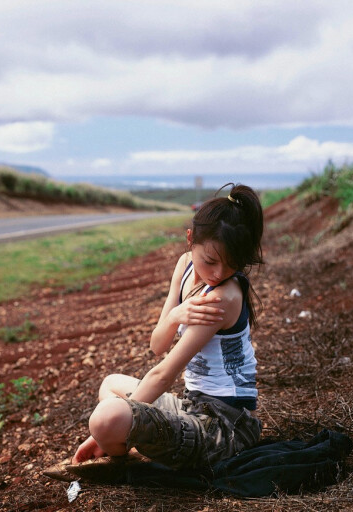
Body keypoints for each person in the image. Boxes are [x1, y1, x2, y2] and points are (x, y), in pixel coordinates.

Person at [72, 183, 264, 471]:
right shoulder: (185, 264)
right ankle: (126, 445)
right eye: (210, 261)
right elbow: (157, 345)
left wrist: (99, 433)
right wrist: (175, 315)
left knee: (105, 419)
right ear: (190, 239)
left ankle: (123, 450)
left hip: (225, 430)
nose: (217, 274)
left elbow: (164, 374)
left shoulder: (223, 298)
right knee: (110, 384)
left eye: (231, 265)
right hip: (193, 406)